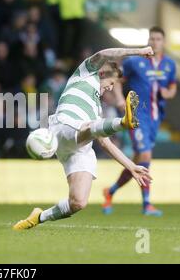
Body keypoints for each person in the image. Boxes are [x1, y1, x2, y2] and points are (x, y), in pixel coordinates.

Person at [12, 46, 153, 230]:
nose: (110, 88)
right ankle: (122, 122)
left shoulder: (97, 109)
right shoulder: (86, 73)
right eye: (111, 83)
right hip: (64, 127)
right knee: (90, 127)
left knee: (78, 202)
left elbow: (104, 141)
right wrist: (139, 51)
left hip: (79, 147)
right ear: (103, 72)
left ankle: (38, 217)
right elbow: (104, 54)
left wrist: (131, 167)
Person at [102, 27, 177, 216]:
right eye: (152, 38)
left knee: (137, 162)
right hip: (137, 116)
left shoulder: (169, 65)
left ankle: (110, 192)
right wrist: (119, 99)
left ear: (164, 42)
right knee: (145, 156)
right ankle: (147, 204)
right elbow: (117, 79)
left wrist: (168, 93)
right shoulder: (135, 62)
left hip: (155, 118)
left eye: (158, 39)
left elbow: (172, 88)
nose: (154, 42)